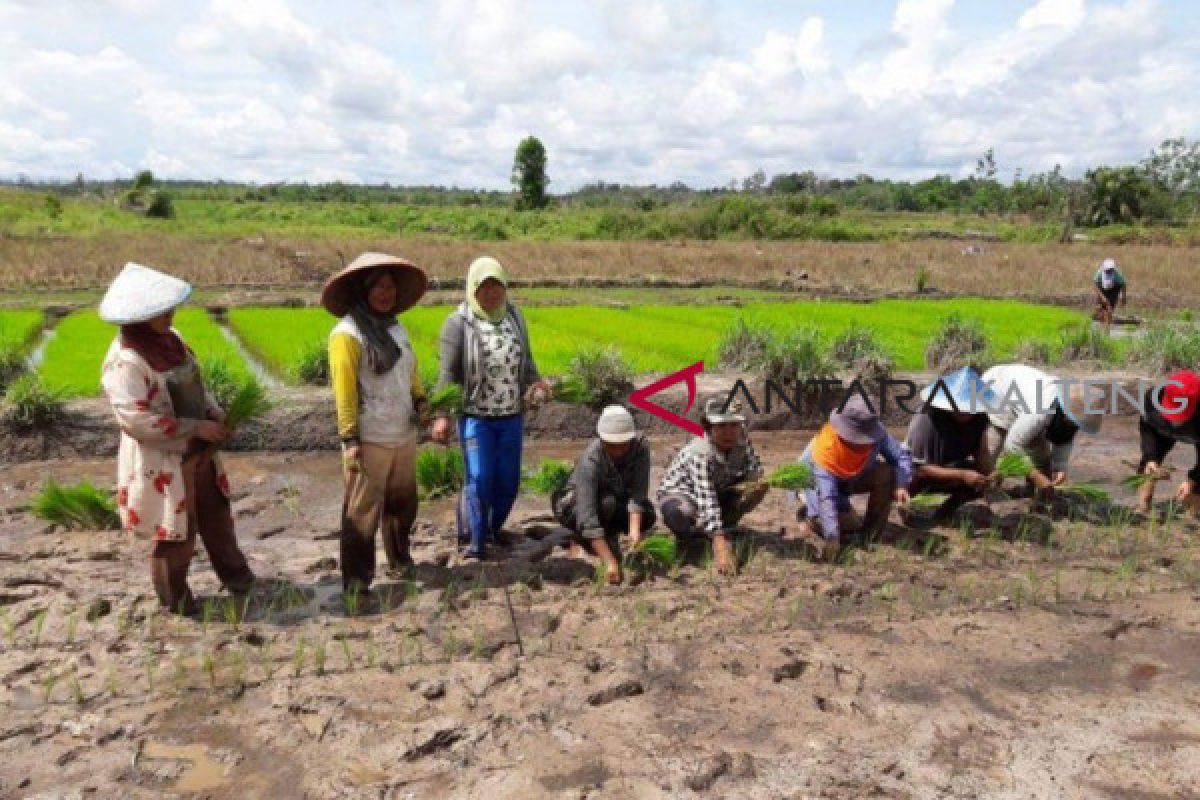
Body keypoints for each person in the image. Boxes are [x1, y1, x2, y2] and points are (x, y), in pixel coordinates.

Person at [99, 262, 255, 615]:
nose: (169, 315)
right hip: (164, 460)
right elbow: (136, 420)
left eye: (169, 308)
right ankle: (176, 601)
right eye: (160, 311)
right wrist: (194, 428)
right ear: (139, 316)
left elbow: (197, 383)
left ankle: (239, 579)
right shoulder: (125, 361)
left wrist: (213, 412)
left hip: (199, 451)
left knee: (217, 516)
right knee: (176, 534)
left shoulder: (174, 340)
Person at [430, 256, 553, 559]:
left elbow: (527, 361)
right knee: (480, 478)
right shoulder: (458, 323)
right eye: (484, 287)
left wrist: (538, 383)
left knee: (508, 482)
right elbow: (447, 374)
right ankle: (475, 540)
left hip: (511, 415)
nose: (492, 293)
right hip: (476, 417)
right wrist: (442, 416)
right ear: (473, 288)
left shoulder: (515, 317)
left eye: (497, 286)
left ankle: (493, 528)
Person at [322, 252, 429, 598]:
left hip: (402, 432)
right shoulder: (347, 335)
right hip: (369, 438)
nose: (387, 293)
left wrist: (422, 403)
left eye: (391, 287)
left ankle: (400, 561)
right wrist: (350, 437)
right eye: (379, 287)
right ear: (363, 291)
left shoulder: (396, 328)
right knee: (361, 514)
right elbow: (344, 390)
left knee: (402, 506)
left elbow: (410, 374)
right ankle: (356, 582)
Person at [657, 398, 765, 576]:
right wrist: (720, 545)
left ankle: (723, 525)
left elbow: (755, 468)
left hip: (719, 487)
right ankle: (692, 539)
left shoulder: (742, 438)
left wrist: (757, 483)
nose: (729, 432)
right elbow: (706, 497)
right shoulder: (700, 452)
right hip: (684, 493)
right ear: (709, 427)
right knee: (678, 514)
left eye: (733, 425)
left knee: (758, 486)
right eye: (721, 427)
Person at [798, 394, 913, 561]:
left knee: (886, 472)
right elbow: (827, 496)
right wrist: (832, 537)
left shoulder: (876, 434)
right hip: (821, 486)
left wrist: (902, 485)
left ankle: (870, 535)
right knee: (839, 525)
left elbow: (901, 457)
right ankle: (806, 513)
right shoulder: (826, 450)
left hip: (852, 479)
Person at [551, 405, 656, 585]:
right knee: (607, 504)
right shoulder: (591, 460)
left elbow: (638, 493)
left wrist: (634, 531)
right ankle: (580, 541)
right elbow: (587, 514)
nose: (618, 451)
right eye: (612, 446)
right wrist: (610, 562)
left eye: (623, 445)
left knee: (648, 514)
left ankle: (608, 537)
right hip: (575, 504)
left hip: (613, 496)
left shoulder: (640, 447)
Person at [981, 364, 1103, 497]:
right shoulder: (1040, 410)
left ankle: (1034, 494)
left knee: (1042, 457)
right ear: (1065, 413)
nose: (1073, 426)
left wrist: (1060, 468)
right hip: (997, 387)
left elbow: (1064, 440)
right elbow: (1013, 444)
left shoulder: (1070, 418)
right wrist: (1034, 475)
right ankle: (988, 491)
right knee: (994, 449)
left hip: (1021, 395)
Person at [904, 367, 995, 519]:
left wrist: (990, 474)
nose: (966, 412)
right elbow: (919, 469)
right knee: (908, 480)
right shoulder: (927, 419)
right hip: (916, 473)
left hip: (949, 466)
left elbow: (982, 453)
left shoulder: (979, 417)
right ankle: (909, 509)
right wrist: (962, 475)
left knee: (978, 478)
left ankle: (946, 512)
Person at [1135, 369, 1200, 514]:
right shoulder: (1152, 398)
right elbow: (1147, 428)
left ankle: (1193, 516)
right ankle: (1143, 508)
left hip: (1195, 428)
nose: (1174, 417)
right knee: (1148, 466)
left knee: (1196, 486)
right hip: (1163, 427)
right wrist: (1151, 457)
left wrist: (1193, 480)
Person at [1092, 257, 1127, 332]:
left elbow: (1123, 285)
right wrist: (1102, 297)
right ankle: (1102, 323)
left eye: (1110, 270)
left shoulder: (1118, 275)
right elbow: (1096, 285)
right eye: (1107, 270)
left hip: (1115, 288)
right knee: (1099, 308)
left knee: (1109, 308)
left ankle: (1107, 327)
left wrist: (1123, 297)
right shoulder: (1099, 273)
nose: (1108, 271)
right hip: (1101, 288)